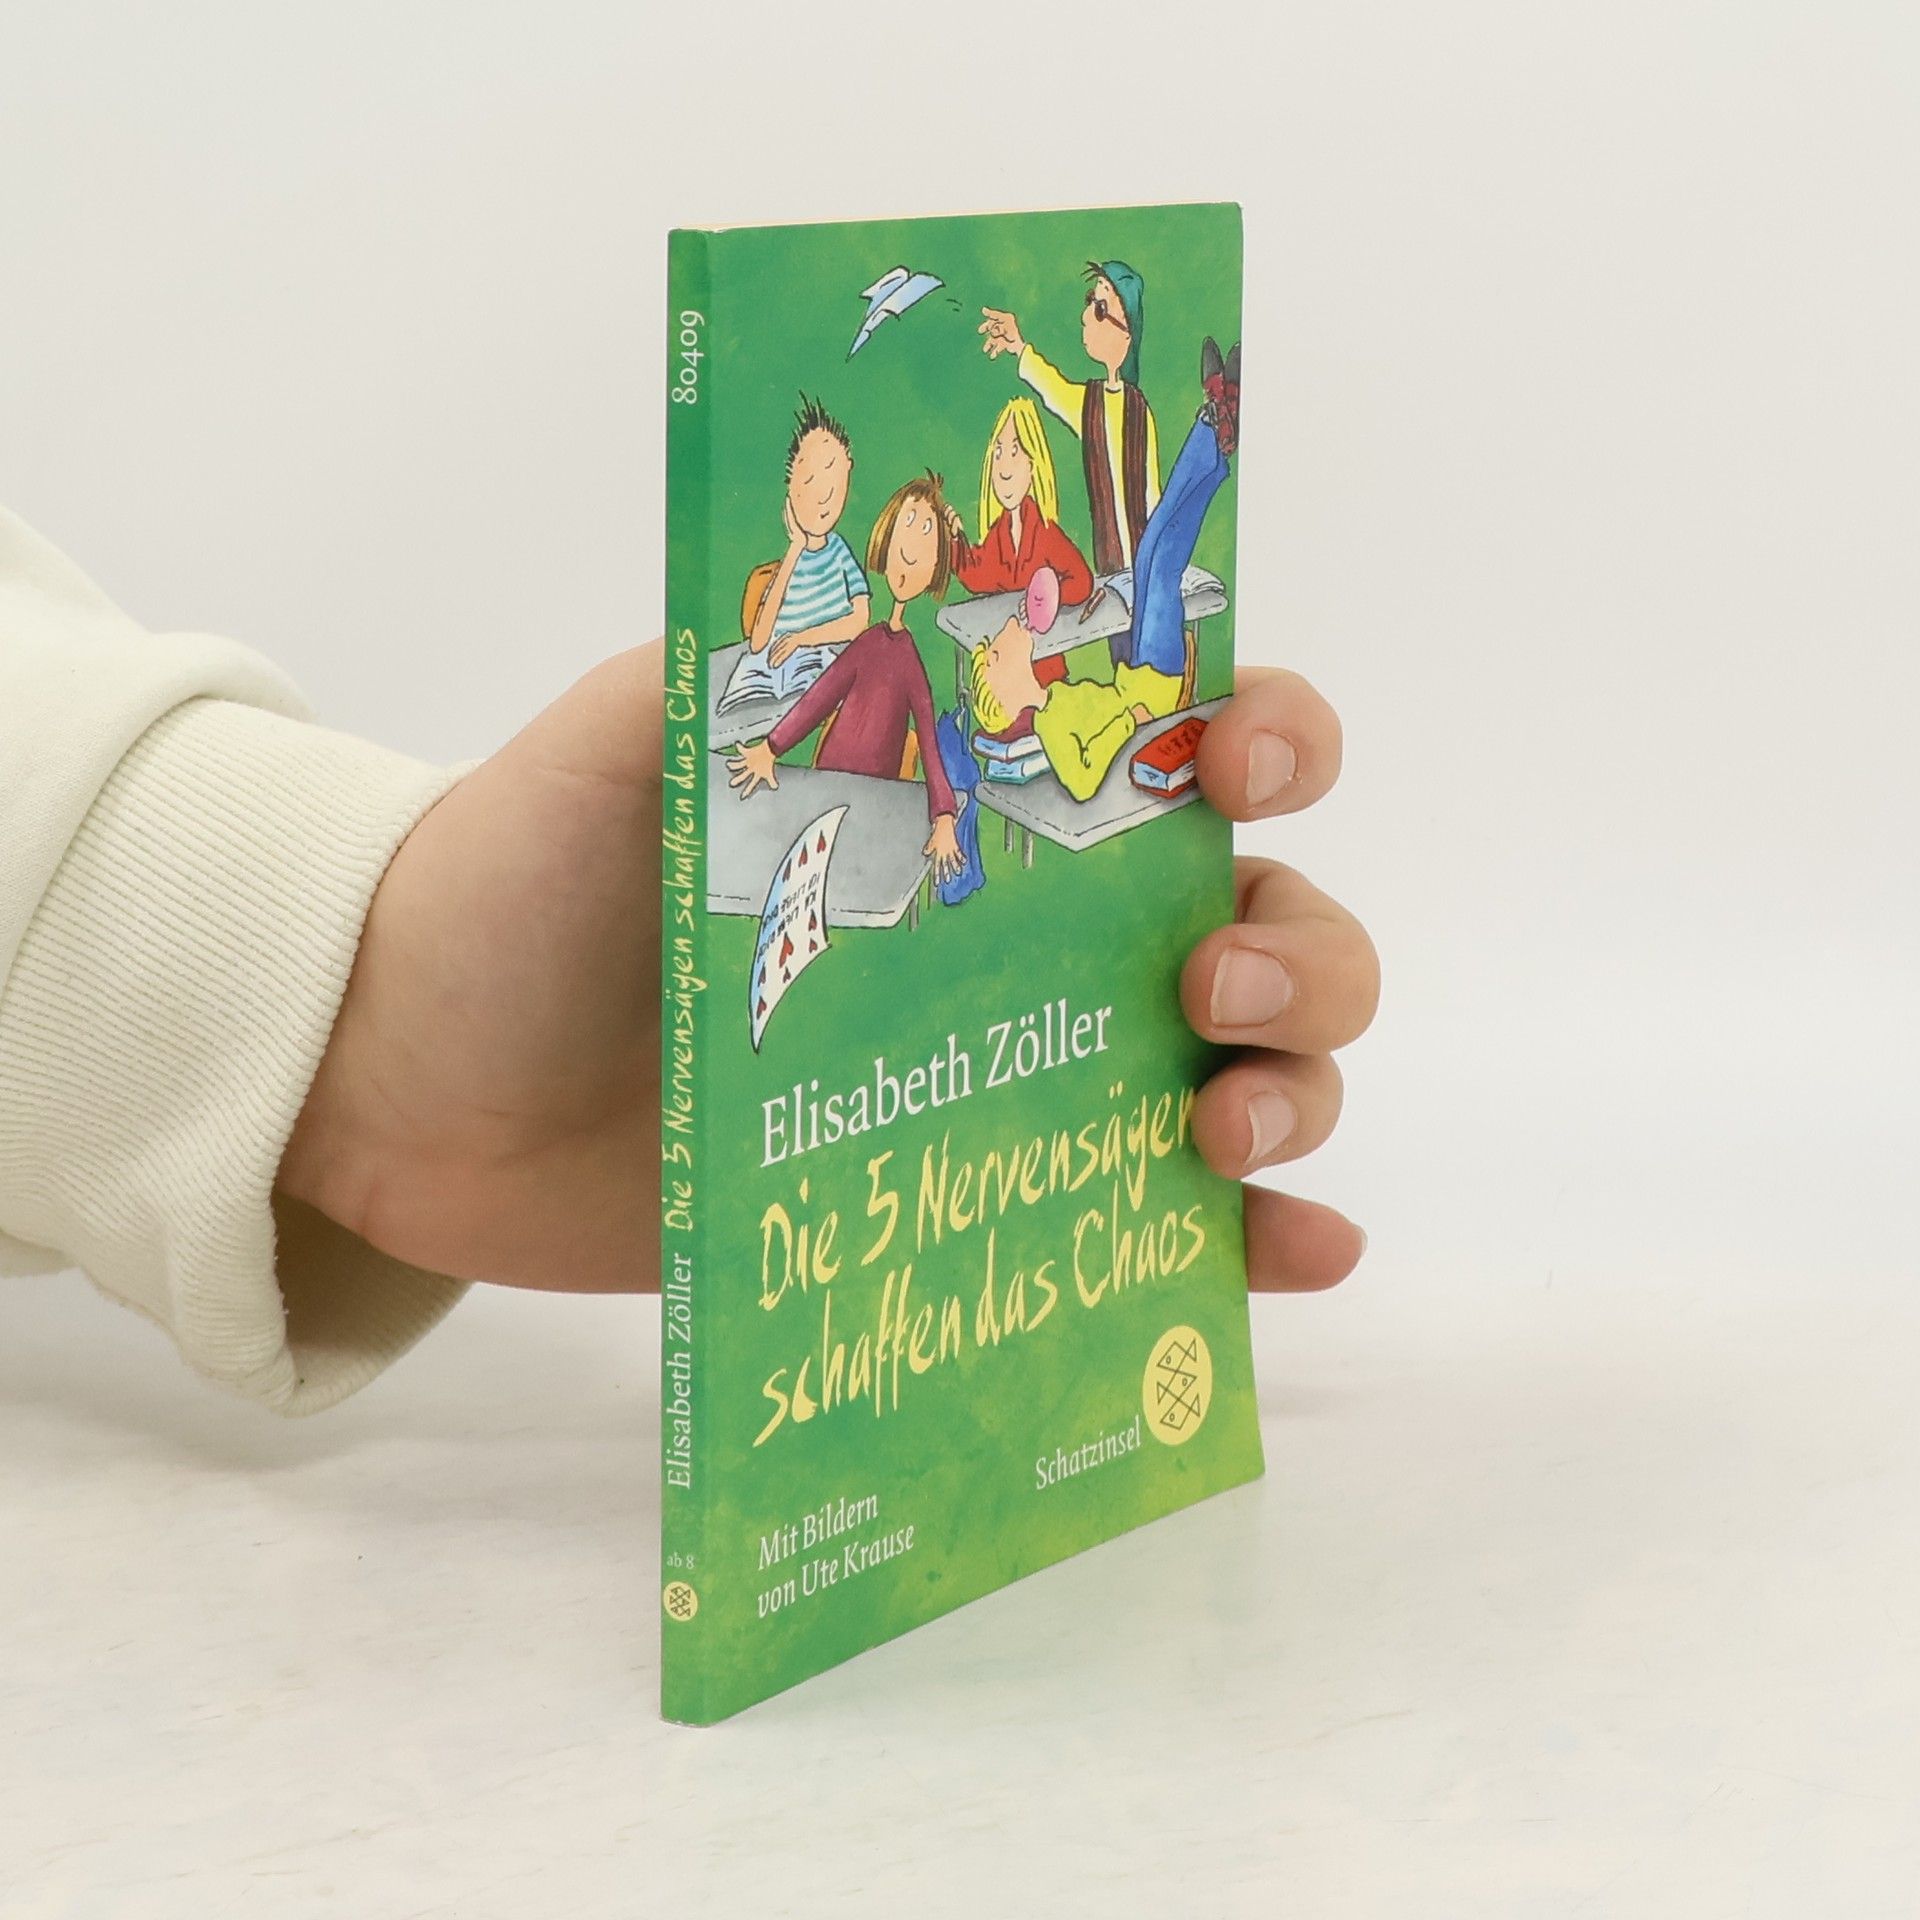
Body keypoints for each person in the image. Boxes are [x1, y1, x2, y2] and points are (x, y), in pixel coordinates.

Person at [0, 502, 1378, 1413]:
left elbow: (914, 732)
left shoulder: (918, 665)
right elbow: (843, 705)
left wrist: (365, 1011)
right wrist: (343, 1020)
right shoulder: (881, 653)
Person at [728, 474, 967, 882]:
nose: (909, 548)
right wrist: (770, 747)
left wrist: (944, 815)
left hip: (872, 801)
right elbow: (820, 696)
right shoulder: (867, 641)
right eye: (907, 524)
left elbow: (928, 741)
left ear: (935, 569)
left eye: (926, 533)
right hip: (825, 783)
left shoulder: (910, 661)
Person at [979, 260, 1160, 576]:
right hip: (1111, 572)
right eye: (1090, 301)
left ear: (1127, 334)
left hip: (1145, 568)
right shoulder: (1091, 403)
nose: (1086, 315)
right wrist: (1018, 346)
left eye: (1100, 308)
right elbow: (1054, 388)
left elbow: (1153, 498)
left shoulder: (1138, 411)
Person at [744, 393, 870, 673]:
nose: (824, 496)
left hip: (824, 666)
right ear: (791, 489)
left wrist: (801, 639)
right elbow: (758, 642)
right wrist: (795, 548)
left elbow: (860, 620)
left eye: (833, 480)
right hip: (773, 673)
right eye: (810, 481)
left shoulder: (839, 552)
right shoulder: (790, 563)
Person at [946, 396, 1094, 606]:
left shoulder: (1044, 531)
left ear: (1032, 466)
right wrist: (954, 540)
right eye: (998, 453)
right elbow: (978, 576)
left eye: (1015, 453)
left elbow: (1081, 581)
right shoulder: (999, 533)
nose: (1004, 470)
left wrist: (1044, 600)